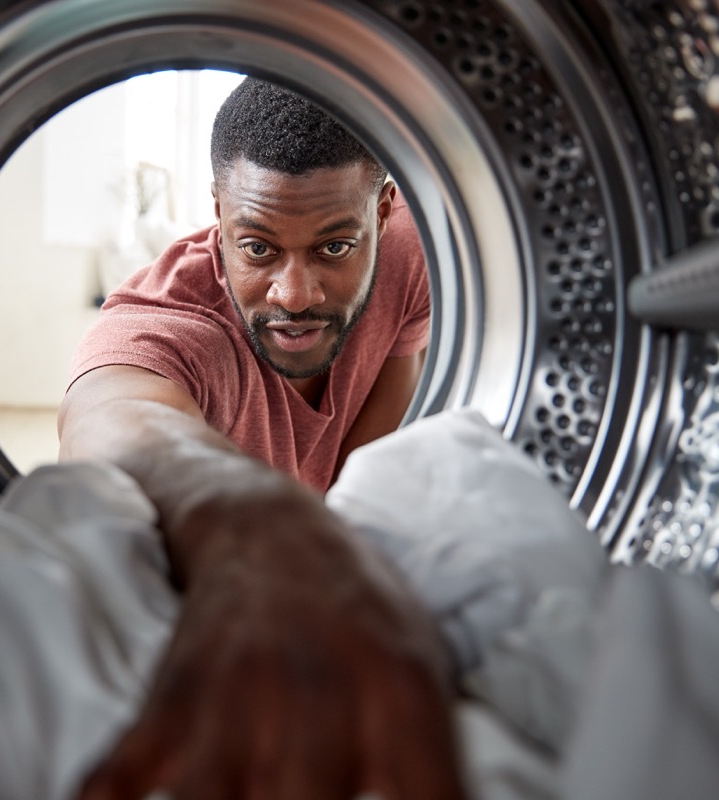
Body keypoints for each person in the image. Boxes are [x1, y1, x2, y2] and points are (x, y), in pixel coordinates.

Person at [58, 78, 460, 800]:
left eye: (336, 246)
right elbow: (111, 419)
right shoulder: (169, 323)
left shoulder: (409, 257)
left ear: (386, 208)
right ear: (218, 216)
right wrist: (254, 524)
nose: (294, 293)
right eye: (258, 247)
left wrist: (340, 542)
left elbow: (390, 389)